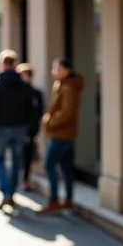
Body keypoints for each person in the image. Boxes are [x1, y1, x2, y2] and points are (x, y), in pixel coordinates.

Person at [0, 50, 33, 209]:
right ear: (15, 65)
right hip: (19, 128)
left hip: (1, 127)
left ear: (2, 64)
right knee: (15, 163)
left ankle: (6, 193)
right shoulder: (24, 84)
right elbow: (30, 109)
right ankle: (10, 194)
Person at [39, 58, 84, 213]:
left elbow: (67, 112)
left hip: (62, 134)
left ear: (66, 70)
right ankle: (68, 200)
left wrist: (49, 121)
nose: (54, 72)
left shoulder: (68, 88)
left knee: (49, 165)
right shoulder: (63, 85)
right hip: (64, 133)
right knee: (66, 168)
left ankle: (54, 200)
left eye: (56, 69)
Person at [16, 63, 44, 191]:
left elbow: (39, 112)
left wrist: (35, 129)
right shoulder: (16, 93)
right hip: (17, 129)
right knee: (18, 155)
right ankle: (19, 179)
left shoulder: (36, 93)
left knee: (28, 155)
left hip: (30, 129)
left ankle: (25, 179)